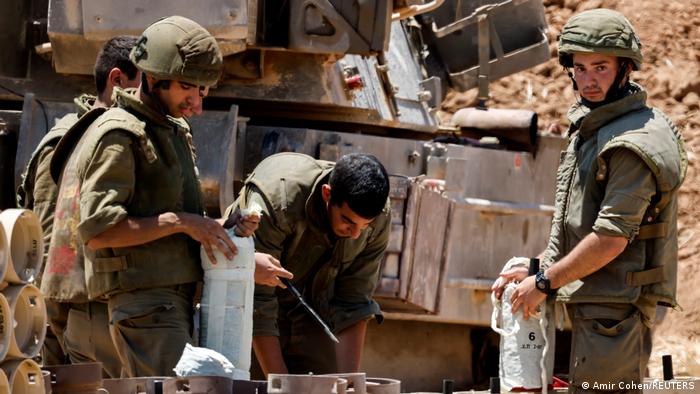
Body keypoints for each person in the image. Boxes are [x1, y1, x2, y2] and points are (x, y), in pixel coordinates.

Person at [47, 16, 257, 377]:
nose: (196, 104)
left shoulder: (168, 130)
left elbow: (168, 220)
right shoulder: (119, 132)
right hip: (146, 306)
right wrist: (183, 223)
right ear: (156, 78)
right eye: (188, 89)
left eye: (203, 92)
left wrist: (219, 227)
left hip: (169, 304)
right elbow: (99, 231)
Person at [492, 9, 686, 393]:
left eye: (600, 67)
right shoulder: (596, 124)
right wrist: (538, 266)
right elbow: (577, 220)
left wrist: (544, 282)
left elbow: (611, 238)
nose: (588, 80)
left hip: (615, 313)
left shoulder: (633, 142)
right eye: (579, 69)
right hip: (595, 302)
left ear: (625, 67)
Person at [17, 36, 140, 374]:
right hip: (73, 325)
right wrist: (53, 346)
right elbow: (45, 253)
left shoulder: (118, 139)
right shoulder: (69, 141)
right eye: (146, 83)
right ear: (117, 81)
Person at [224, 152, 391, 377]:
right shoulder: (279, 199)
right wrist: (282, 385)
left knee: (326, 385)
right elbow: (257, 300)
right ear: (327, 195)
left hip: (313, 309)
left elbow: (354, 301)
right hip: (245, 308)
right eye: (348, 221)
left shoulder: (377, 213)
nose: (355, 234)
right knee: (246, 382)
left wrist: (349, 383)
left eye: (364, 225)